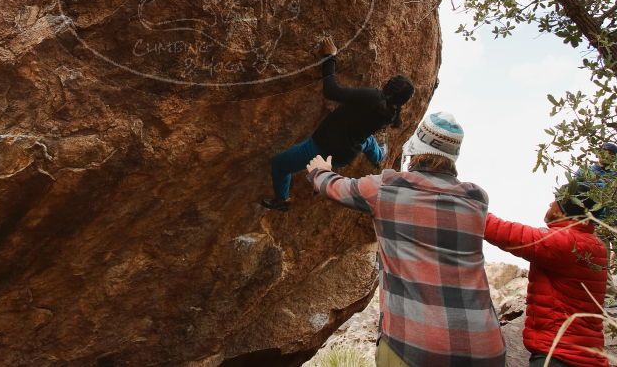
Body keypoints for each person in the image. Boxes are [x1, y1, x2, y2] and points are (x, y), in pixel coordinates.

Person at [307, 112, 506, 365]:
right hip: (485, 347)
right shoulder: (477, 199)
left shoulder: (388, 188)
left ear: (416, 149)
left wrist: (318, 172)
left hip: (415, 347)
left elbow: (337, 187)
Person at [261, 37, 414, 211]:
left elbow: (331, 91)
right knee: (366, 141)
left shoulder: (372, 97)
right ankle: (379, 156)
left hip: (323, 148)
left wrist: (329, 57)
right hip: (347, 153)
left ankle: (281, 200)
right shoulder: (393, 114)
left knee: (279, 164)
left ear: (389, 84)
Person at [485, 188, 608, 367]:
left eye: (556, 201)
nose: (551, 204)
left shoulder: (567, 243)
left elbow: (508, 234)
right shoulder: (594, 243)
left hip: (559, 355)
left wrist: (469, 208)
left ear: (565, 211)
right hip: (586, 356)